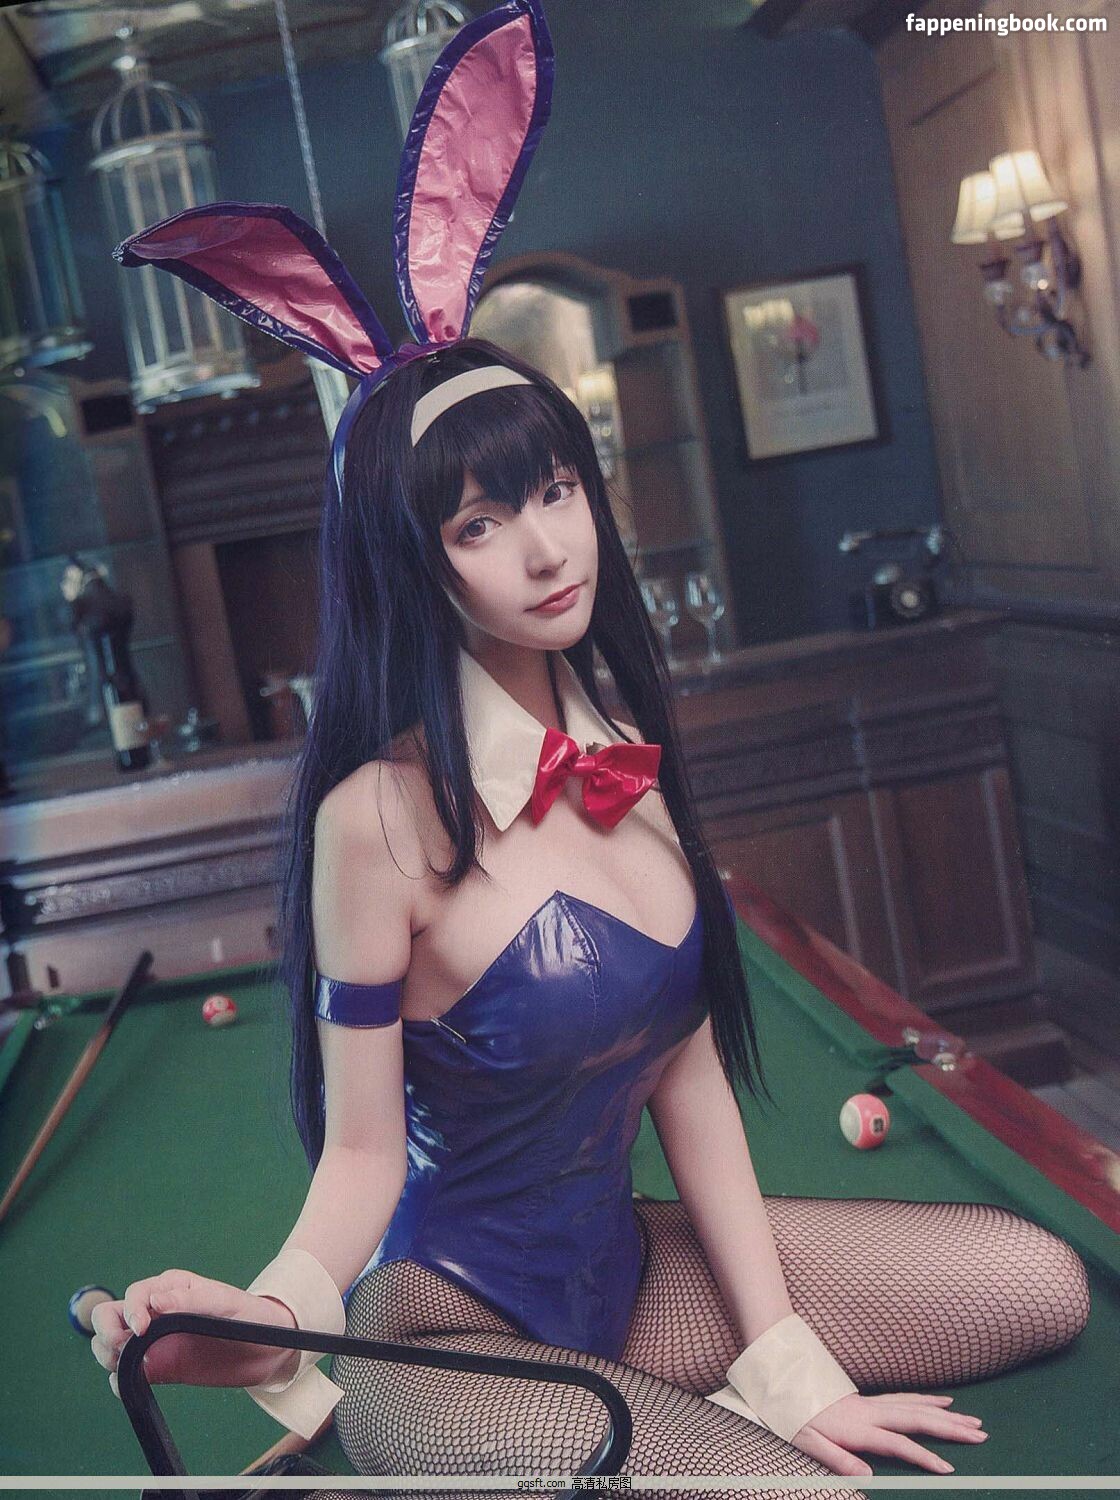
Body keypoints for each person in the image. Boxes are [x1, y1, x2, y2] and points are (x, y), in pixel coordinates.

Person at [89, 3, 1091, 1494]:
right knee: (784, 1493)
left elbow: (687, 1080)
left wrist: (787, 1364)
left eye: (554, 490)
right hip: (449, 1336)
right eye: (478, 524)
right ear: (415, 568)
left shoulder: (625, 748)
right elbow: (362, 1160)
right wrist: (269, 1321)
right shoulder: (376, 819)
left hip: (627, 1274)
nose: (545, 547)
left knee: (1039, 1282)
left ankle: (668, 1396)